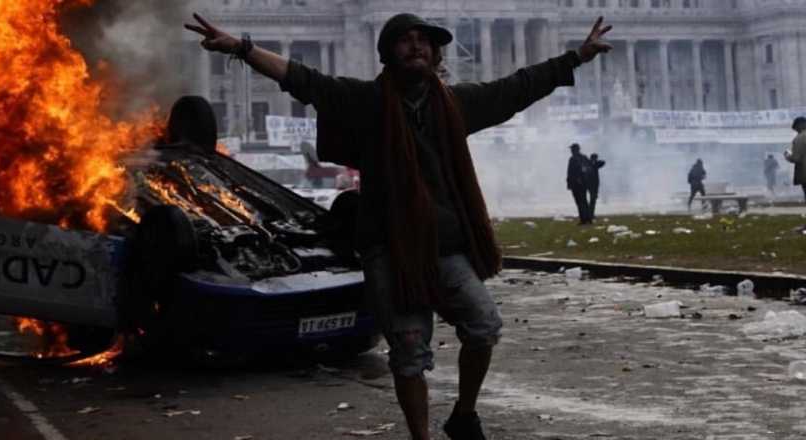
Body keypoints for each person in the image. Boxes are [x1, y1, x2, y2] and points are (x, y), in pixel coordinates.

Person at [186, 12, 613, 440]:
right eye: (405, 41)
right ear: (389, 54)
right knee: (409, 355)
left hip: (445, 247)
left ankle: (463, 415)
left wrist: (577, 56)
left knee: (484, 327)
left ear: (435, 52)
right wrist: (241, 47)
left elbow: (519, 86)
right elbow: (303, 78)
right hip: (390, 249)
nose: (416, 47)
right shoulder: (368, 102)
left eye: (423, 41)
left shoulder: (456, 104)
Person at [567, 144, 593, 224]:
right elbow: (589, 168)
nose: (571, 151)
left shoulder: (575, 158)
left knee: (580, 202)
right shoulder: (582, 158)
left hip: (578, 184)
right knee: (583, 201)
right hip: (580, 183)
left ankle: (584, 219)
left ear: (576, 150)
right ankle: (587, 219)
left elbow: (570, 172)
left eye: (572, 149)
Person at [784, 117, 806, 203]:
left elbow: (796, 158)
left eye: (796, 129)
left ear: (799, 126)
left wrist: (787, 156)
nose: (796, 131)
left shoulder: (799, 138)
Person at [587, 152, 606, 220]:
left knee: (593, 199)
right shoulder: (589, 164)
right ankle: (590, 214)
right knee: (592, 199)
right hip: (590, 184)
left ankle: (590, 213)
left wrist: (594, 162)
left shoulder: (595, 164)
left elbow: (603, 162)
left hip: (595, 184)